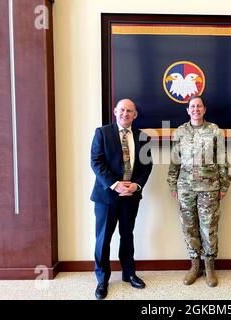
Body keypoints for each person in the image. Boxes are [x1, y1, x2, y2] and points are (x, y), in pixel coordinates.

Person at [90, 98, 153, 299]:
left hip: (130, 196)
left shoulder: (142, 137)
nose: (125, 113)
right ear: (116, 111)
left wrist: (136, 185)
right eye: (122, 110)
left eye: (130, 111)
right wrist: (115, 185)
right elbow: (96, 162)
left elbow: (147, 166)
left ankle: (129, 273)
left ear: (135, 115)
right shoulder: (102, 133)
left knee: (127, 235)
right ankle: (102, 280)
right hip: (106, 196)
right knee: (103, 238)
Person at [167, 95, 231, 287]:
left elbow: (222, 159)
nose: (196, 109)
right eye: (192, 106)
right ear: (187, 110)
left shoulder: (214, 131)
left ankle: (210, 267)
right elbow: (174, 161)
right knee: (189, 227)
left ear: (204, 109)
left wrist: (224, 185)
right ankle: (195, 265)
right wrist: (172, 184)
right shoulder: (180, 131)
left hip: (209, 188)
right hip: (185, 188)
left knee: (208, 227)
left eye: (199, 106)